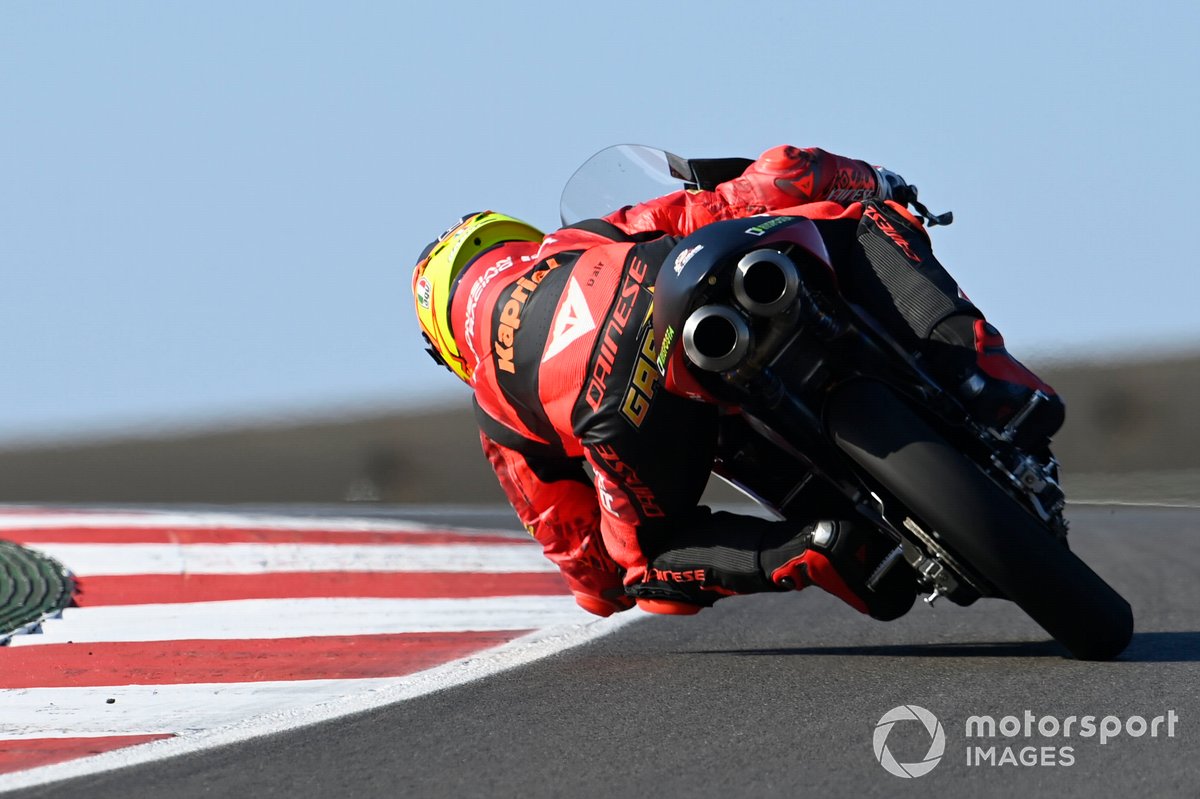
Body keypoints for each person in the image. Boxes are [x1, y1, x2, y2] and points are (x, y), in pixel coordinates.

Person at [410, 144, 1064, 621]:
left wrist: (614, 540)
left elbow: (594, 577)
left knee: (642, 564)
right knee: (852, 220)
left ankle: (810, 549)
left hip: (615, 412)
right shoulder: (575, 241)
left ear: (447, 341)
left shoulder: (494, 412)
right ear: (512, 240)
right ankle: (981, 374)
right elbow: (757, 188)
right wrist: (872, 181)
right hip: (661, 298)